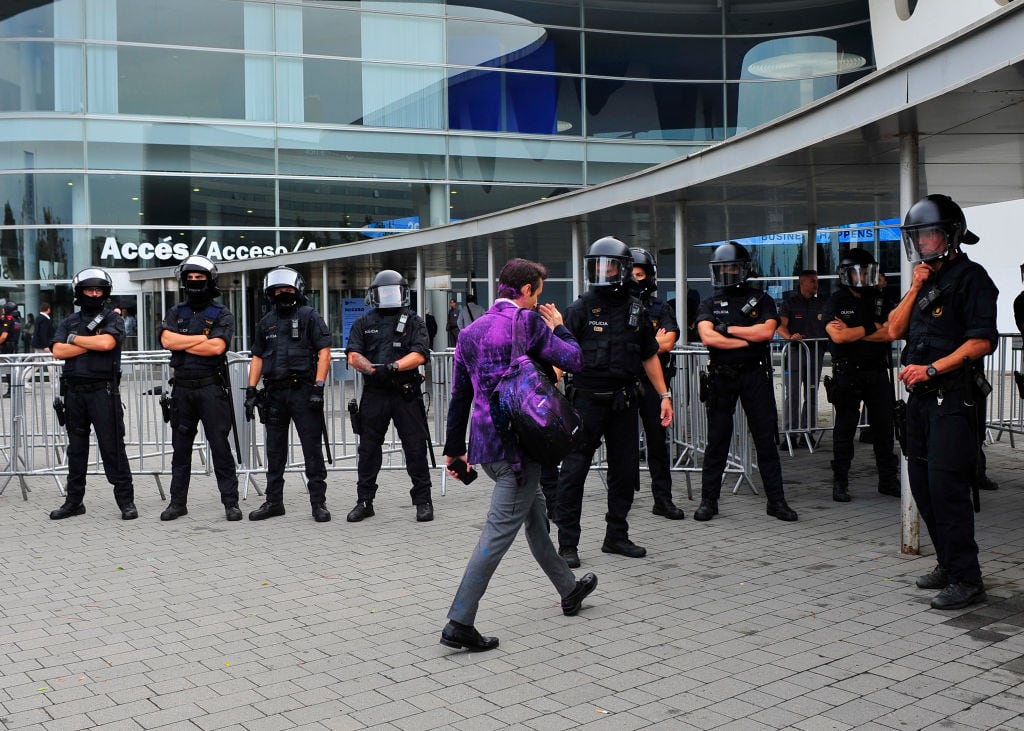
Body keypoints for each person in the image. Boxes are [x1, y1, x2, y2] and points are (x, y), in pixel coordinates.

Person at [440, 257, 597, 652]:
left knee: (536, 517)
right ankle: (459, 621)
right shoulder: (525, 323)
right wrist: (558, 324)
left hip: (486, 448)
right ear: (526, 290)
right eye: (537, 293)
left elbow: (460, 396)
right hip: (519, 449)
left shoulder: (470, 332)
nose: (537, 301)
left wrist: (454, 450)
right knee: (497, 535)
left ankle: (569, 589)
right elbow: (576, 360)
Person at [889, 194, 997, 610]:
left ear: (950, 235)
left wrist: (933, 369)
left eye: (931, 234)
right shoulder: (924, 280)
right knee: (922, 487)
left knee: (947, 488)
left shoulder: (972, 278)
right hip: (919, 403)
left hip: (952, 400)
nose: (924, 243)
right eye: (918, 236)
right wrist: (915, 286)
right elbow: (895, 329)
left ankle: (968, 579)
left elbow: (982, 340)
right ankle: (948, 566)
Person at [553, 236, 673, 567]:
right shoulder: (579, 309)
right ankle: (567, 544)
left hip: (624, 402)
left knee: (624, 471)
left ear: (622, 269)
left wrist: (664, 395)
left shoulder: (637, 309)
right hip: (587, 403)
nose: (603, 272)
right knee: (573, 471)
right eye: (597, 265)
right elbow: (559, 355)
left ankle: (616, 536)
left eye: (609, 265)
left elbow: (649, 356)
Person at [695, 242, 798, 523]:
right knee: (717, 440)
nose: (727, 272)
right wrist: (746, 338)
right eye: (722, 268)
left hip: (755, 374)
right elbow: (707, 338)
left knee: (765, 438)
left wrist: (728, 330)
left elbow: (766, 332)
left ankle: (776, 501)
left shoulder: (761, 298)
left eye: (732, 267)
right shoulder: (709, 302)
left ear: (743, 269)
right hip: (722, 376)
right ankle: (709, 501)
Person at [345, 270, 435, 523]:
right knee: (368, 449)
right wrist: (371, 369)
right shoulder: (364, 322)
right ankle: (364, 501)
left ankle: (423, 500)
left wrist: (395, 366)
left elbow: (420, 353)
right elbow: (353, 355)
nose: (388, 297)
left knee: (415, 447)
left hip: (405, 392)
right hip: (375, 393)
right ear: (374, 295)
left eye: (392, 291)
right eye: (383, 292)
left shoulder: (414, 321)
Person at [48, 267, 137, 520]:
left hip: (103, 391)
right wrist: (89, 343)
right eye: (89, 289)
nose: (94, 294)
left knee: (113, 448)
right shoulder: (69, 321)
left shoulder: (113, 319)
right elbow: (57, 351)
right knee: (76, 450)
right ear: (80, 292)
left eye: (98, 289)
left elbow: (108, 343)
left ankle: (126, 501)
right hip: (74, 392)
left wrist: (74, 340)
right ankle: (73, 502)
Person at [158, 255, 242, 521]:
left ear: (210, 280)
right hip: (182, 390)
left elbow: (217, 347)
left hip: (211, 389)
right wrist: (200, 339)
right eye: (190, 278)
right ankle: (177, 503)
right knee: (180, 450)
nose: (194, 282)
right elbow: (166, 340)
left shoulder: (222, 313)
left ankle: (231, 503)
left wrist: (182, 341)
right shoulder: (175, 311)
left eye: (199, 278)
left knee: (220, 447)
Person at [245, 266, 332, 522]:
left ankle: (319, 504)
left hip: (304, 392)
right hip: (274, 393)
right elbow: (257, 356)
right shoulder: (266, 321)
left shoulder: (310, 316)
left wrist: (318, 386)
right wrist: (251, 390)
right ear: (270, 293)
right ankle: (274, 502)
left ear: (298, 290)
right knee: (274, 451)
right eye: (278, 290)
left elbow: (324, 351)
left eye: (287, 289)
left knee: (311, 450)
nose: (283, 293)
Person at [822, 249, 899, 502]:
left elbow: (891, 332)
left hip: (876, 371)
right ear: (846, 274)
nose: (862, 276)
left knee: (885, 428)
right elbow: (839, 336)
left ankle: (888, 480)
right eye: (858, 271)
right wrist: (870, 328)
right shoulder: (837, 300)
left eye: (866, 271)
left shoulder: (878, 299)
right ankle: (840, 482)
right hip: (848, 374)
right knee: (845, 430)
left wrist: (856, 331)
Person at [629, 247, 684, 520]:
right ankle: (623, 502)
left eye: (639, 274)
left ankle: (662, 499)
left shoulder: (661, 307)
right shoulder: (620, 308)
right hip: (625, 382)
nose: (634, 279)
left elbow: (669, 340)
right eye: (630, 274)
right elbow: (622, 346)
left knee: (657, 443)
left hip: (654, 383)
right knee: (624, 444)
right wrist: (650, 342)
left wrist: (637, 346)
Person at [777, 270, 826, 434]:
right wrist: (790, 337)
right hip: (794, 353)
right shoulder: (789, 303)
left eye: (817, 281)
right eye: (812, 281)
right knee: (793, 394)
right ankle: (790, 431)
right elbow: (780, 326)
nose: (816, 285)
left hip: (815, 353)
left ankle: (808, 431)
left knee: (812, 392)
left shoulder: (822, 304)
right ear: (802, 282)